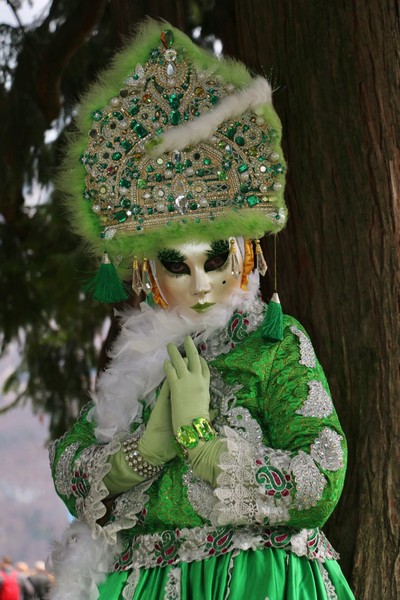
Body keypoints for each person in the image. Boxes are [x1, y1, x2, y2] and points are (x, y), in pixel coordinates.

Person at [48, 21, 355, 599]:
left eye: (217, 259)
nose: (203, 283)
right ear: (145, 271)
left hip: (257, 584)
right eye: (177, 265)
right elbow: (71, 464)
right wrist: (143, 454)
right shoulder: (139, 362)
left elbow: (324, 475)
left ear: (246, 251)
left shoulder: (274, 343)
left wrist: (208, 448)